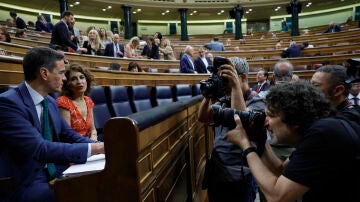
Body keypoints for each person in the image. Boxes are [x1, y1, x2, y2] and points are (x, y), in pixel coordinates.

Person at [0, 46, 105, 201]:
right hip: (26, 179)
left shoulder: (49, 101)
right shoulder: (8, 103)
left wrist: (101, 146)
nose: (64, 78)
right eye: (62, 72)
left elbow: (68, 134)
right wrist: (97, 148)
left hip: (55, 168)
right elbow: (40, 149)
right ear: (44, 73)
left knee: (101, 181)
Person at [227, 80, 358, 202]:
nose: (265, 121)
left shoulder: (322, 134)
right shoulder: (318, 131)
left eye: (271, 115)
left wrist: (246, 145)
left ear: (294, 117)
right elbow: (282, 170)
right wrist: (260, 139)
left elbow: (277, 196)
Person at [198, 57, 265, 202]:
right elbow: (203, 117)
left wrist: (234, 86)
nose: (224, 85)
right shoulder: (225, 99)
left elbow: (238, 122)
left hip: (239, 177)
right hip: (217, 171)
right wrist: (210, 92)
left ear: (242, 78)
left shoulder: (257, 102)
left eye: (226, 79)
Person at [56, 64, 98, 141]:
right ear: (67, 84)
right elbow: (67, 135)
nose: (79, 82)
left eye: (82, 77)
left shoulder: (88, 101)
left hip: (89, 144)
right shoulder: (63, 102)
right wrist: (90, 144)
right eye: (73, 79)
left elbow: (92, 130)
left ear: (86, 80)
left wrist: (93, 140)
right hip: (73, 146)